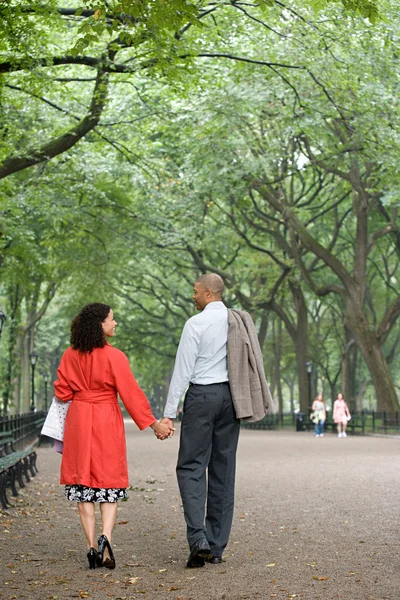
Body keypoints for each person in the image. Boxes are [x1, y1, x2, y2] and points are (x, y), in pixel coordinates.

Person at [159, 274, 271, 568]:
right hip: (231, 399)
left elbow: (183, 370)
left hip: (202, 398)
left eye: (195, 292)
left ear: (209, 293)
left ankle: (198, 540)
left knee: (191, 466)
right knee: (223, 469)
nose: (192, 296)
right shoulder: (238, 321)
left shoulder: (195, 324)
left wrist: (169, 414)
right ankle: (217, 546)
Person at [54, 303, 172, 570]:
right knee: (108, 479)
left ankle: (90, 547)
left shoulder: (69, 355)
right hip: (106, 419)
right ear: (100, 325)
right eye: (111, 319)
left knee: (82, 480)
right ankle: (106, 537)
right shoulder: (115, 357)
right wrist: (155, 425)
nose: (115, 322)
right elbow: (131, 394)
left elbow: (62, 392)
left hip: (80, 420)